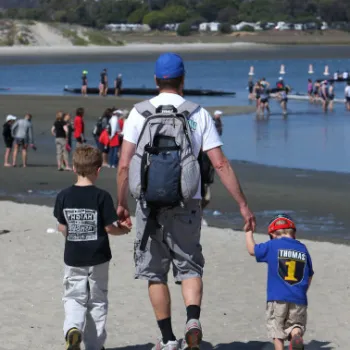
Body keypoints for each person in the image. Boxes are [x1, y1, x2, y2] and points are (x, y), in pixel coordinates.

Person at [117, 53, 255, 350]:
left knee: (155, 273)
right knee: (189, 267)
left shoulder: (138, 113)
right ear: (183, 80)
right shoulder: (197, 113)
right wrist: (243, 204)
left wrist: (122, 204)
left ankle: (167, 339)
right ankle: (192, 319)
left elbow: (125, 165)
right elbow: (220, 164)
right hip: (187, 203)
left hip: (148, 205)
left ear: (156, 80)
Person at [54, 145, 131, 350]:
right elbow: (109, 228)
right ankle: (94, 345)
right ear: (98, 170)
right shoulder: (102, 196)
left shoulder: (63, 196)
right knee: (97, 301)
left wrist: (68, 230)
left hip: (73, 257)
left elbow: (62, 226)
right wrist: (123, 231)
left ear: (73, 168)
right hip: (98, 257)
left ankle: (72, 329)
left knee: (73, 297)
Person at [245, 213, 314, 350]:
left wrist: (248, 232)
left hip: (277, 297)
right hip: (298, 297)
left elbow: (252, 250)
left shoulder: (273, 245)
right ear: (293, 233)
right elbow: (309, 274)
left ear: (273, 234)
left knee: (277, 330)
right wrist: (303, 290)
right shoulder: (302, 248)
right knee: (296, 325)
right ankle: (296, 335)